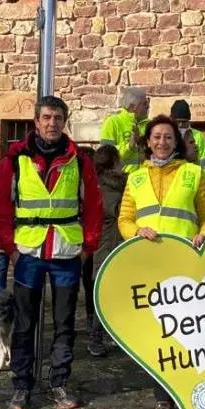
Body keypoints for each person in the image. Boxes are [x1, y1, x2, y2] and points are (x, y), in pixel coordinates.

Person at [0, 96, 103, 409]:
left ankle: (59, 382)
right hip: (28, 252)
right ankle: (22, 386)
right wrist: (10, 249)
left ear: (64, 121)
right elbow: (1, 207)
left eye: (57, 118)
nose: (52, 123)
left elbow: (93, 207)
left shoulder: (79, 160)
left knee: (65, 323)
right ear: (36, 121)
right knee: (24, 324)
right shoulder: (15, 159)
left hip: (68, 250)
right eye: (47, 117)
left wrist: (88, 247)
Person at [118, 115, 205, 409]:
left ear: (177, 142)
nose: (162, 142)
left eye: (168, 137)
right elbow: (124, 219)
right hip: (152, 266)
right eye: (157, 137)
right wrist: (136, 232)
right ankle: (163, 398)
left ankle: (192, 391)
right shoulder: (134, 176)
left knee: (192, 331)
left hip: (187, 264)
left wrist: (203, 234)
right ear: (148, 142)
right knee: (161, 335)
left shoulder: (194, 172)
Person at [87, 145, 127, 358]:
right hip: (109, 244)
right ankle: (96, 339)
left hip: (105, 244)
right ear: (113, 162)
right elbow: (114, 212)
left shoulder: (96, 184)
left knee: (109, 294)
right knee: (103, 295)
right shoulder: (109, 187)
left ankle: (106, 336)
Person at [99, 87, 149, 172]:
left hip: (144, 180)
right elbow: (106, 157)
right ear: (133, 107)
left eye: (148, 102)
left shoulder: (149, 124)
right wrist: (130, 146)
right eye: (144, 103)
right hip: (120, 180)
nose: (148, 106)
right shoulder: (111, 123)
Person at [77, 146, 98, 335]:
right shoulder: (77, 182)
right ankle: (90, 318)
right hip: (81, 242)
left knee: (91, 283)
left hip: (93, 242)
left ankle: (92, 319)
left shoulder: (96, 184)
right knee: (87, 282)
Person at [170, 99, 205, 170]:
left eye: (183, 122)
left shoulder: (198, 136)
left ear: (188, 120)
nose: (180, 125)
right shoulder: (167, 136)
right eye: (178, 122)